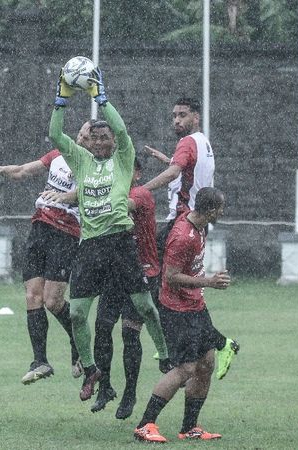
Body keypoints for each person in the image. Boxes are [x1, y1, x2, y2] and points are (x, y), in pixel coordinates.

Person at [50, 67, 170, 401]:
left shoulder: (123, 158)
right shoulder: (81, 160)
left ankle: (163, 353)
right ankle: (91, 370)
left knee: (145, 307)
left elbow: (119, 127)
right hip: (90, 245)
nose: (101, 141)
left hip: (120, 242)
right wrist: (62, 97)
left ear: (114, 142)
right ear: (89, 141)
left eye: (106, 138)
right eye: (96, 137)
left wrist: (99, 97)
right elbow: (55, 135)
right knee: (76, 312)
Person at [0, 132, 90, 384]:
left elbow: (88, 192)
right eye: (81, 133)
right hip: (40, 227)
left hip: (66, 232)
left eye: (87, 136)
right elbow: (22, 171)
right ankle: (40, 361)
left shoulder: (92, 165)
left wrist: (64, 197)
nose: (81, 138)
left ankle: (78, 343)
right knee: (32, 295)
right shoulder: (57, 156)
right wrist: (1, 170)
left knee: (52, 301)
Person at [143, 98, 238, 381]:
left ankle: (171, 348)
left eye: (182, 115)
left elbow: (175, 172)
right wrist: (166, 160)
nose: (176, 121)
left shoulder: (187, 143)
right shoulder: (204, 143)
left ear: (196, 117)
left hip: (182, 222)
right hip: (195, 224)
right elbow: (186, 172)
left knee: (155, 281)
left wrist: (140, 192)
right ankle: (212, 345)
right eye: (173, 116)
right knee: (182, 291)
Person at [134, 187, 230, 443]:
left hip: (195, 307)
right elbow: (171, 276)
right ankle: (145, 425)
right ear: (210, 210)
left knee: (207, 363)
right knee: (185, 368)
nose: (222, 211)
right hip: (177, 311)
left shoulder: (198, 224)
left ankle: (189, 428)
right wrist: (208, 281)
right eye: (220, 208)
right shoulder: (183, 236)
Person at [89, 157, 160, 418]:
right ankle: (105, 387)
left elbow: (118, 207)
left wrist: (86, 199)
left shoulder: (140, 194)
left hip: (142, 273)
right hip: (114, 274)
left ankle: (129, 393)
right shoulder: (109, 192)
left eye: (125, 169)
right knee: (102, 328)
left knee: (130, 334)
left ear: (137, 174)